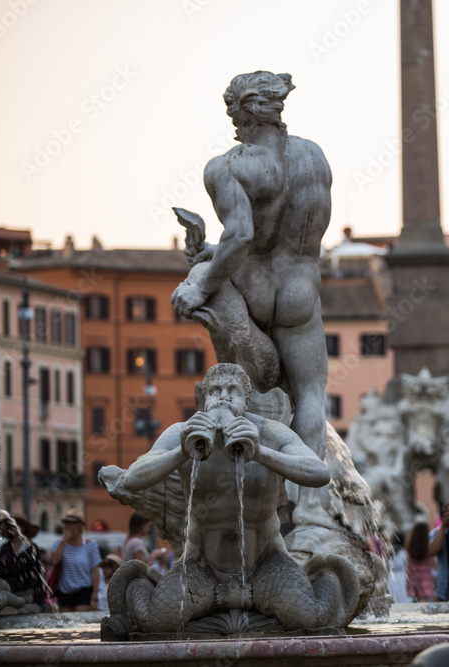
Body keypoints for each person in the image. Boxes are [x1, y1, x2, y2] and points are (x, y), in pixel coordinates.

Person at [118, 363, 355, 631]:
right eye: (215, 391)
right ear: (204, 399)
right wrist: (181, 452)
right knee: (159, 622)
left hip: (265, 563)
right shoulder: (182, 432)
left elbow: (319, 472)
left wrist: (261, 453)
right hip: (203, 566)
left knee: (306, 618)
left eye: (233, 391)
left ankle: (324, 578)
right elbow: (132, 479)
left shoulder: (268, 432)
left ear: (247, 401)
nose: (224, 397)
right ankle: (141, 581)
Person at [170, 71, 330, 464]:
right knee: (310, 396)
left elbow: (242, 237)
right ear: (275, 110)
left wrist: (202, 284)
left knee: (248, 391)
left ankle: (248, 481)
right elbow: (294, 236)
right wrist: (212, 251)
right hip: (301, 289)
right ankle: (310, 509)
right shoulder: (314, 157)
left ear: (237, 116)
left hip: (254, 288)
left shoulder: (226, 166)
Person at [50, 509, 102, 611]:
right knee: (66, 621)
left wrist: (95, 592)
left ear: (80, 526)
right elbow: (54, 561)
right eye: (68, 523)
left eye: (74, 523)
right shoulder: (59, 543)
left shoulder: (90, 545)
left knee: (81, 619)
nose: (71, 526)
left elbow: (95, 570)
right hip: (64, 590)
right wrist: (63, 541)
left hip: (83, 589)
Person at [0, 511, 48, 610]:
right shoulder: (5, 549)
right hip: (9, 595)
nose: (13, 526)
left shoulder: (32, 548)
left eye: (17, 524)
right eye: (11, 524)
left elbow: (37, 575)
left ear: (23, 527)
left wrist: (36, 597)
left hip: (29, 595)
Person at [405, 522, 436, 602]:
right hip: (426, 577)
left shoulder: (411, 546)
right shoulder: (428, 547)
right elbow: (434, 564)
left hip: (414, 576)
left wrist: (408, 579)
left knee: (417, 601)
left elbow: (408, 565)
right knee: (424, 601)